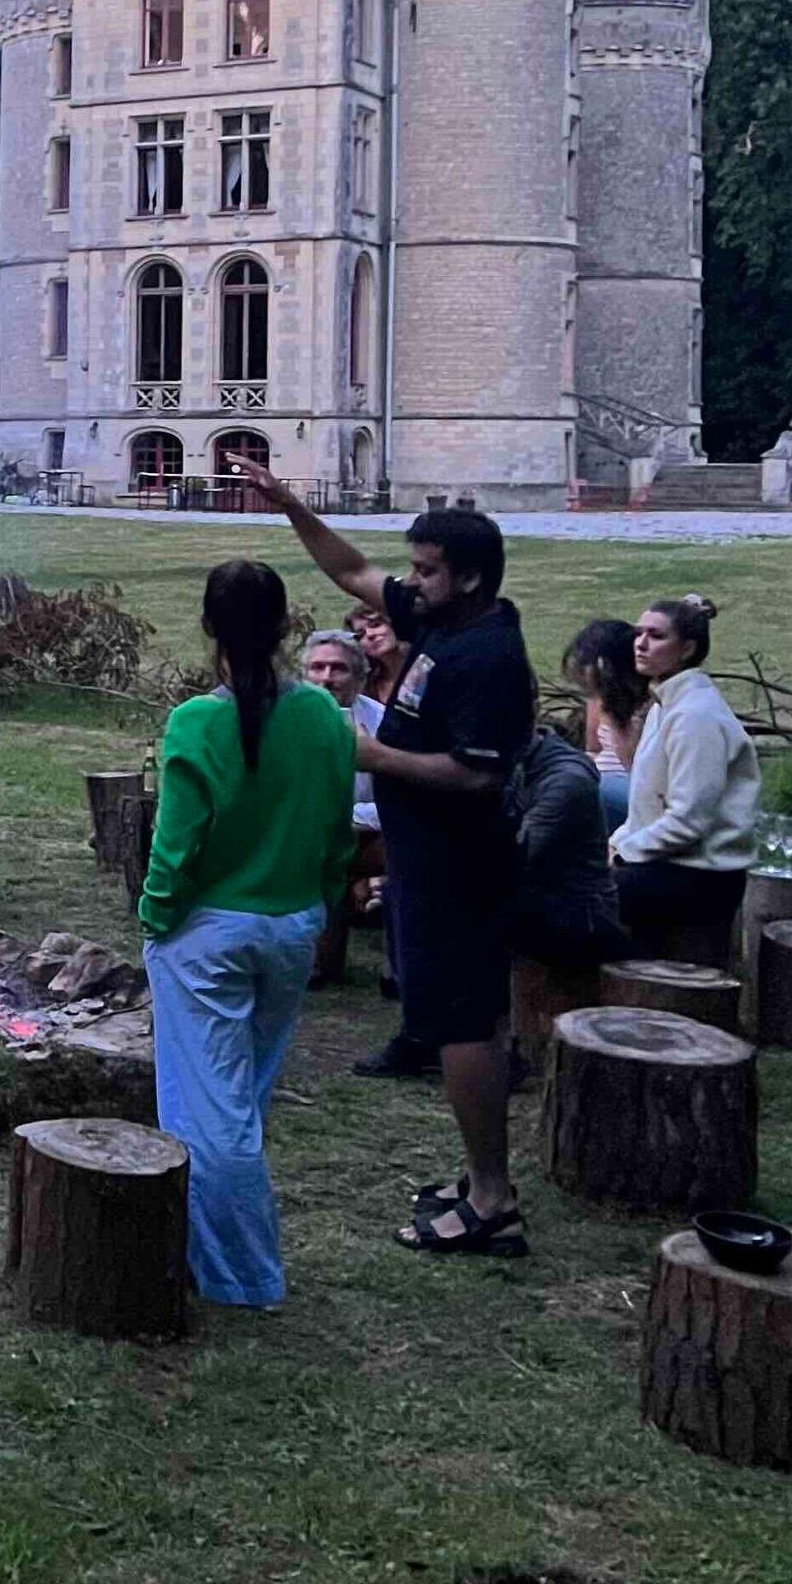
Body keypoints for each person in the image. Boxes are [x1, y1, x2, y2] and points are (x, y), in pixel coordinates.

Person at [229, 458, 537, 1259]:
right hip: (426, 855)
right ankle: (479, 1179)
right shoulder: (446, 622)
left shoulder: (487, 658)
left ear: (467, 579)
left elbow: (479, 772)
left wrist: (365, 754)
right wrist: (290, 502)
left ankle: (492, 1202)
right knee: (459, 1019)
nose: (410, 581)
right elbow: (352, 568)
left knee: (462, 1025)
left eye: (427, 571)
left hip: (459, 865)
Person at [137, 563, 355, 1308]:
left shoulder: (199, 721)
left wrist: (157, 920)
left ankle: (240, 1278)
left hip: (211, 935)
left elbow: (176, 848)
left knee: (212, 1113)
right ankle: (208, 1240)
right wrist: (320, 903)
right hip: (291, 926)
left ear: (209, 628)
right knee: (241, 1097)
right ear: (288, 626)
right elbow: (336, 830)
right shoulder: (325, 714)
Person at [611, 594, 758, 962]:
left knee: (566, 898)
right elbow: (644, 809)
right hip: (668, 865)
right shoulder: (665, 705)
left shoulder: (695, 716)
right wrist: (613, 845)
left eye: (656, 636)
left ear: (688, 648)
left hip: (699, 876)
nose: (641, 644)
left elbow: (688, 820)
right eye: (638, 633)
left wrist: (622, 855)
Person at [307, 625, 427, 1073]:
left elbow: (402, 799)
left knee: (408, 851)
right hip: (310, 841)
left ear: (358, 676)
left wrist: (352, 820)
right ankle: (319, 961)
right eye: (317, 668)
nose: (327, 677)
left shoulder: (382, 722)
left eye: (338, 668)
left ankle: (398, 971)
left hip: (373, 837)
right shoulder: (286, 721)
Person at [506, 725, 626, 975]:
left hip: (579, 922)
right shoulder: (521, 761)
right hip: (543, 903)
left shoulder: (566, 780)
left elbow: (513, 858)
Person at [564, 618, 650, 833]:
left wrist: (617, 720)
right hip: (599, 779)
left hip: (635, 790)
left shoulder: (650, 704)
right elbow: (592, 750)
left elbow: (639, 769)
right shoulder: (598, 699)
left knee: (587, 792)